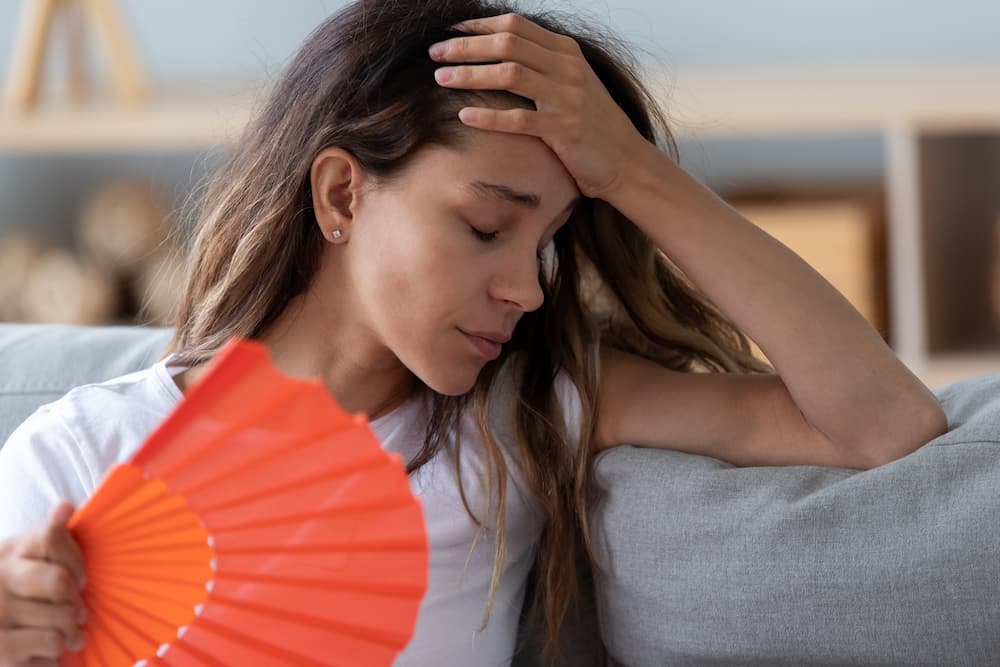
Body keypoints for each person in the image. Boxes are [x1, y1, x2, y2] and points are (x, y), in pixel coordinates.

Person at [0, 1, 948, 665]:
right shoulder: (77, 456)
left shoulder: (520, 416)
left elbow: (882, 425)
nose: (529, 290)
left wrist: (634, 174)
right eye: (488, 227)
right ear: (341, 193)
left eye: (549, 246)